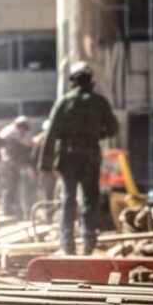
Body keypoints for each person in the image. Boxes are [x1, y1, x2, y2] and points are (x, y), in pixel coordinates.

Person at [39, 61, 118, 256]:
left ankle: (67, 244)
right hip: (90, 156)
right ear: (91, 80)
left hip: (68, 156)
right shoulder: (99, 102)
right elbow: (114, 128)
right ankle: (88, 241)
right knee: (90, 199)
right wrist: (98, 134)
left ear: (72, 81)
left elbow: (51, 133)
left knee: (68, 199)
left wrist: (45, 164)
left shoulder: (65, 101)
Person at [0, 116, 33, 219]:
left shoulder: (9, 130)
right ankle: (7, 211)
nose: (24, 132)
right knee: (9, 187)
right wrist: (35, 141)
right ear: (21, 126)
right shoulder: (14, 131)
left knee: (9, 187)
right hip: (8, 164)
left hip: (6, 163)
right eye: (25, 129)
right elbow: (27, 143)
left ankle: (9, 210)